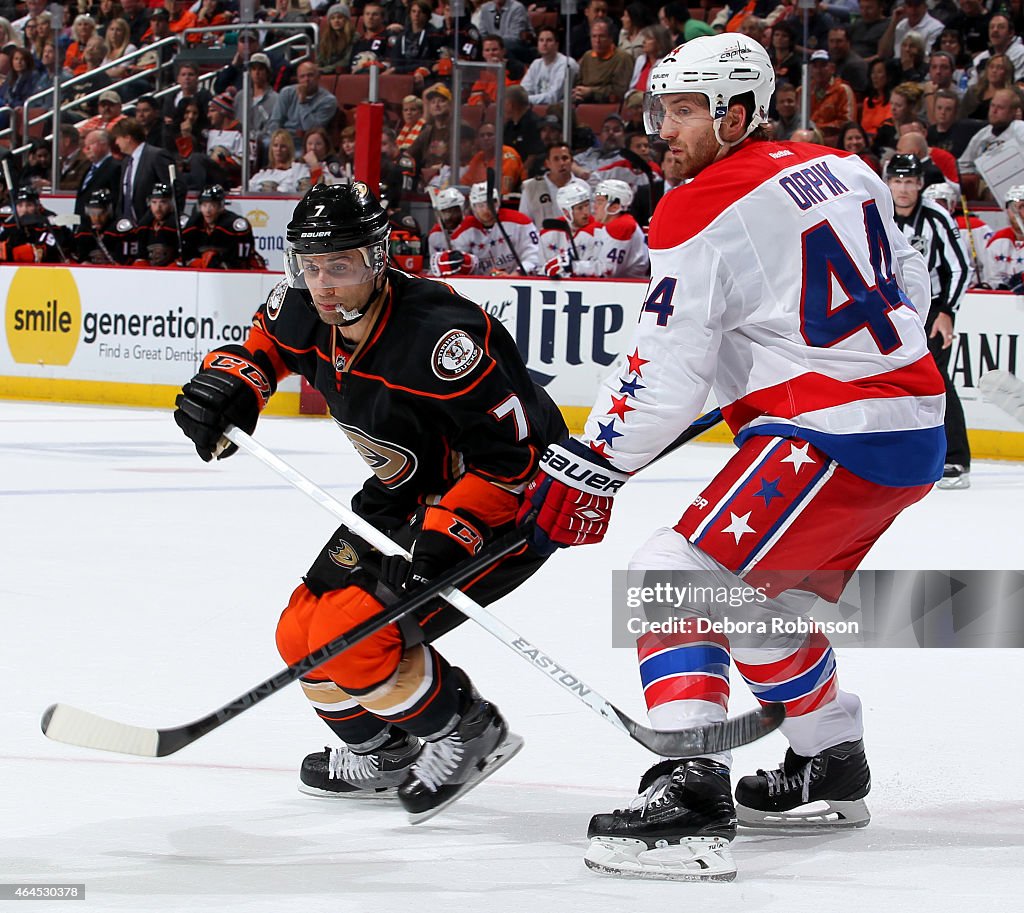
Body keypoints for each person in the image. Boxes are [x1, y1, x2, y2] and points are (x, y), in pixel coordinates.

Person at [517, 34, 944, 882]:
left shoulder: (696, 205)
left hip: (832, 429)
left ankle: (690, 788)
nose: (659, 130)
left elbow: (667, 370)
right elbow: (902, 287)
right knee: (751, 597)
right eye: (658, 110)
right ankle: (831, 758)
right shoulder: (844, 168)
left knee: (671, 572)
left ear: (736, 114)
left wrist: (593, 462)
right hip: (910, 423)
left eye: (681, 112)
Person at [172, 181, 566, 819]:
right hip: (402, 490)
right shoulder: (305, 306)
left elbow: (515, 459)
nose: (324, 283)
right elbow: (263, 347)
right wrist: (237, 384)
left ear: (380, 259)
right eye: (311, 264)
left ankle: (467, 732)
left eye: (342, 265)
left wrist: (454, 528)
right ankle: (385, 752)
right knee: (299, 631)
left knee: (352, 639)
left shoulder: (443, 341)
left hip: (501, 504)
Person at [886, 154, 971, 488]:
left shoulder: (935, 216)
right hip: (891, 308)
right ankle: (902, 454)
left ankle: (956, 459)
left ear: (920, 184)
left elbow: (960, 267)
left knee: (935, 382)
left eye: (909, 182)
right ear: (888, 181)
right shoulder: (878, 211)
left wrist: (948, 310)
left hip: (933, 309)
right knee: (891, 383)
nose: (903, 189)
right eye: (897, 181)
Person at [449, 181, 541, 276]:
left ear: (497, 203)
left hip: (518, 282)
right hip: (479, 285)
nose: (486, 210)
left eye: (490, 204)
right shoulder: (463, 231)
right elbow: (459, 265)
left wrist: (517, 274)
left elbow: (535, 255)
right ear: (473, 207)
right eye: (480, 205)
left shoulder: (520, 222)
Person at [181, 184, 264, 269]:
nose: (207, 210)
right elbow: (186, 255)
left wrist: (221, 264)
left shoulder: (232, 224)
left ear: (221, 206)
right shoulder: (193, 223)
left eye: (212, 205)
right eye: (204, 205)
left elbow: (242, 259)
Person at [519, 142, 592, 228]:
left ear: (572, 161)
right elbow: (524, 222)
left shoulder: (583, 187)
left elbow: (590, 220)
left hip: (576, 239)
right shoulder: (531, 187)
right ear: (547, 163)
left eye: (565, 158)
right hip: (542, 239)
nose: (561, 163)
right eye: (556, 159)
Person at [0, 187, 68, 262]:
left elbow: (52, 249)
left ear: (37, 206)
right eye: (20, 205)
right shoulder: (10, 222)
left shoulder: (49, 220)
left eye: (29, 205)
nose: (24, 210)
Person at [72, 187, 136, 263]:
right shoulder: (83, 231)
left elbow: (128, 261)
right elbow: (79, 258)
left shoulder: (119, 230)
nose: (96, 218)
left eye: (101, 213)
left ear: (109, 211)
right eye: (92, 213)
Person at [520, 26, 579, 105]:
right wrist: (522, 99)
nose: (544, 44)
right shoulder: (536, 64)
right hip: (537, 109)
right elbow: (523, 91)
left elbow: (553, 98)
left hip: (561, 111)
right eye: (541, 40)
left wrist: (524, 100)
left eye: (549, 40)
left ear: (556, 45)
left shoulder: (566, 63)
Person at [132, 181, 181, 266]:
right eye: (154, 202)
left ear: (171, 203)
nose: (158, 207)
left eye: (163, 202)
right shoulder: (144, 226)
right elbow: (141, 256)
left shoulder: (179, 225)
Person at [248, 129, 313, 194]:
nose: (278, 149)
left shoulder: (299, 169)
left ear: (289, 149)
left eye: (283, 146)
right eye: (275, 145)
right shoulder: (263, 173)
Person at [425, 185, 466, 274]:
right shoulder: (435, 235)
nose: (447, 217)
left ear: (461, 209)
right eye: (444, 212)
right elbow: (434, 266)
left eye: (452, 211)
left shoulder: (470, 230)